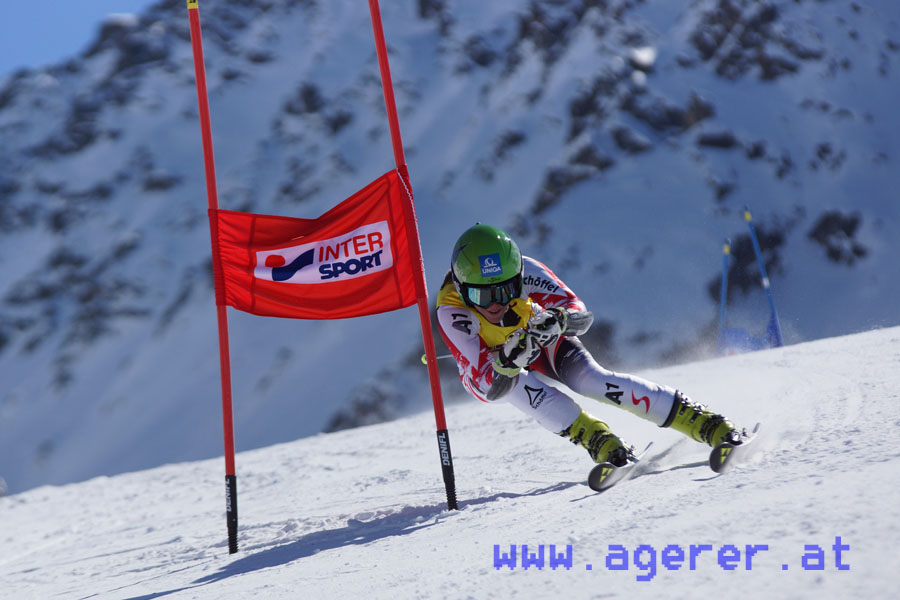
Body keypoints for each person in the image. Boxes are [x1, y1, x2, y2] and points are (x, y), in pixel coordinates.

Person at [435, 223, 745, 468]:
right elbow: (490, 385)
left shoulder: (527, 271)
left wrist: (558, 320)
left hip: (535, 333)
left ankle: (704, 421)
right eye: (481, 296)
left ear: (517, 277)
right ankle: (597, 439)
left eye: (506, 291)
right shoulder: (452, 311)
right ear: (462, 289)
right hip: (489, 367)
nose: (495, 304)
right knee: (518, 388)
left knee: (592, 380)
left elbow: (579, 313)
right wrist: (507, 361)